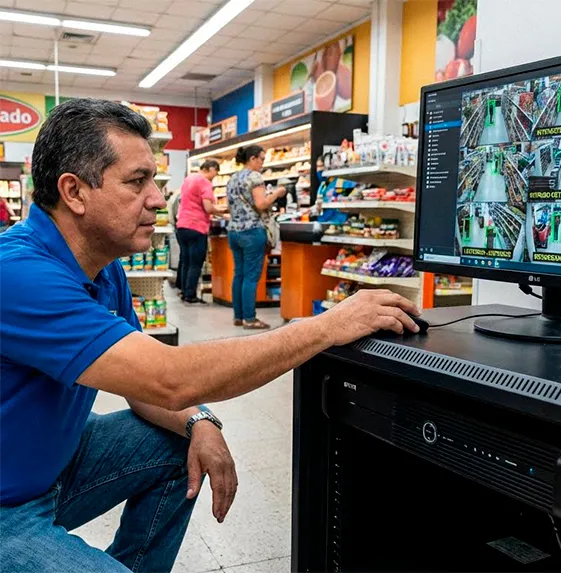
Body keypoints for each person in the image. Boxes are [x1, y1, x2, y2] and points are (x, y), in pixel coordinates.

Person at [0, 99, 420, 573]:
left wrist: (200, 422)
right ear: (74, 192)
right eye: (137, 181)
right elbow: (167, 378)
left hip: (52, 466)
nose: (157, 199)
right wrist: (323, 327)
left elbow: (143, 390)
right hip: (6, 507)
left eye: (154, 181)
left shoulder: (103, 267)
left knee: (180, 441)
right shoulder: (17, 275)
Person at [226, 145, 286, 329]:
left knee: (239, 274)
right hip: (252, 231)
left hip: (234, 231)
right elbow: (261, 204)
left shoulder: (233, 178)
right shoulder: (255, 177)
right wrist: (277, 193)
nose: (262, 163)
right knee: (251, 277)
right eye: (261, 159)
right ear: (252, 159)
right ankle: (250, 319)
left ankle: (238, 316)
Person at [176, 159, 224, 303]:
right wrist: (222, 212)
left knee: (185, 261)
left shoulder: (188, 179)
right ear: (211, 169)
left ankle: (183, 291)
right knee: (196, 262)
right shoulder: (205, 182)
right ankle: (190, 295)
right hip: (197, 226)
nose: (215, 176)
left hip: (182, 225)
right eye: (216, 172)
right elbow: (208, 207)